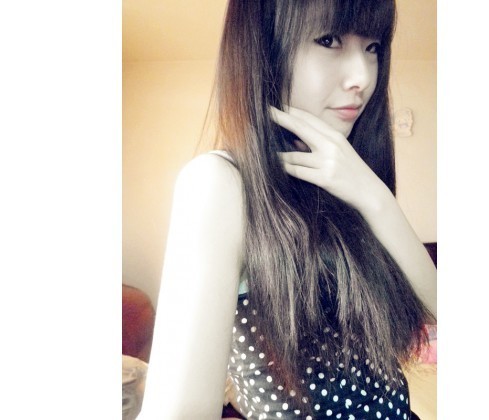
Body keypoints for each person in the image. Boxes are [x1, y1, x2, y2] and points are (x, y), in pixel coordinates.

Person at [139, 0, 437, 418]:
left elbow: (436, 310)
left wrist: (374, 196)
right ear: (266, 47)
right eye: (329, 40)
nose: (362, 78)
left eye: (373, 47)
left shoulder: (349, 182)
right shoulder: (221, 182)